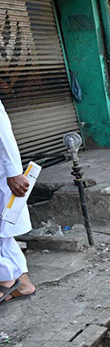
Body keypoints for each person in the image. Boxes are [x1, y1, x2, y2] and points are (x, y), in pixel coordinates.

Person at [0, 99, 35, 304]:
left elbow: (3, 132)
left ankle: (7, 280)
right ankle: (21, 284)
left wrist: (14, 172)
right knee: (3, 235)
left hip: (3, 175)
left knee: (3, 233)